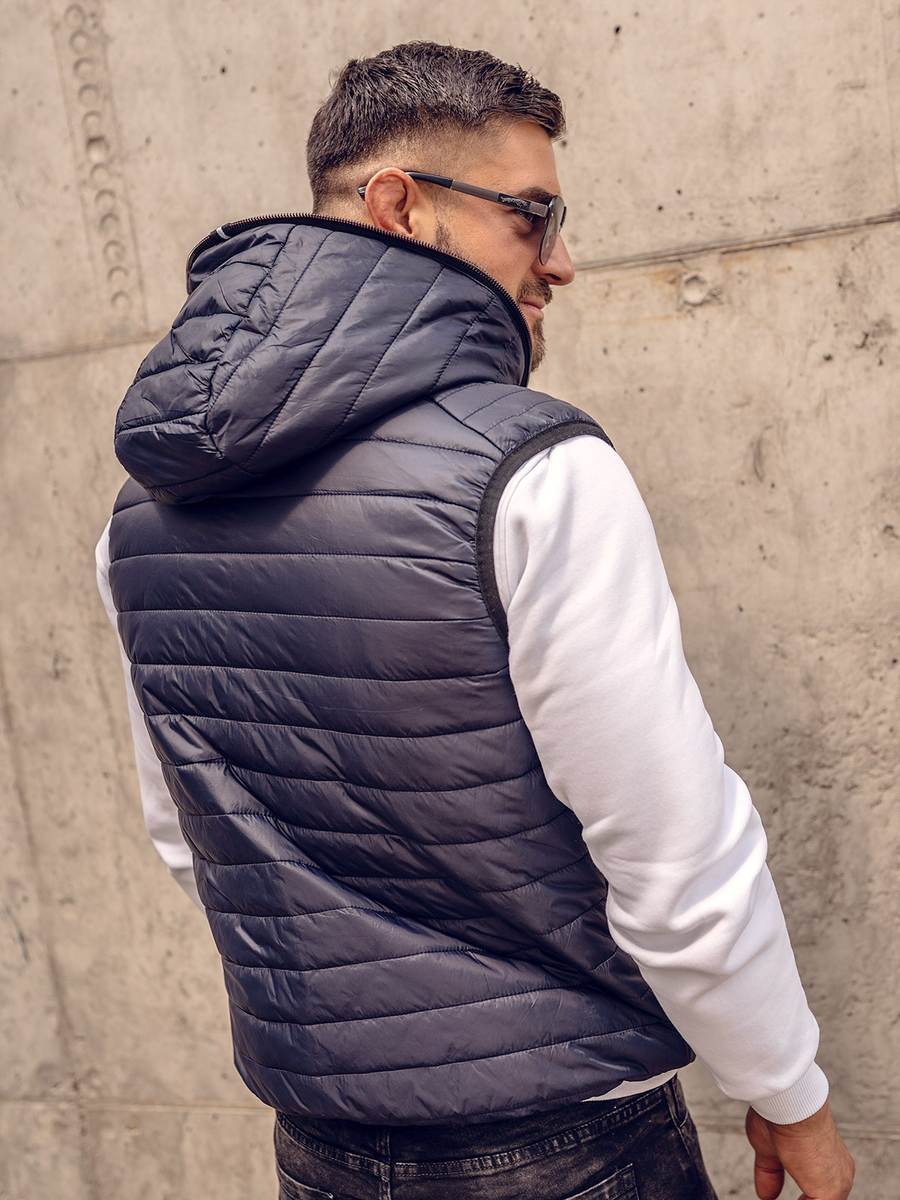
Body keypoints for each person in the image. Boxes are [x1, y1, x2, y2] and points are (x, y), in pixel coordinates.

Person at [96, 41, 854, 1200]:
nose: (562, 262)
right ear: (399, 204)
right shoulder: (534, 470)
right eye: (532, 216)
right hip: (565, 1148)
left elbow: (187, 836)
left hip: (321, 1149)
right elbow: (675, 858)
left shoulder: (139, 517)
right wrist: (788, 1089)